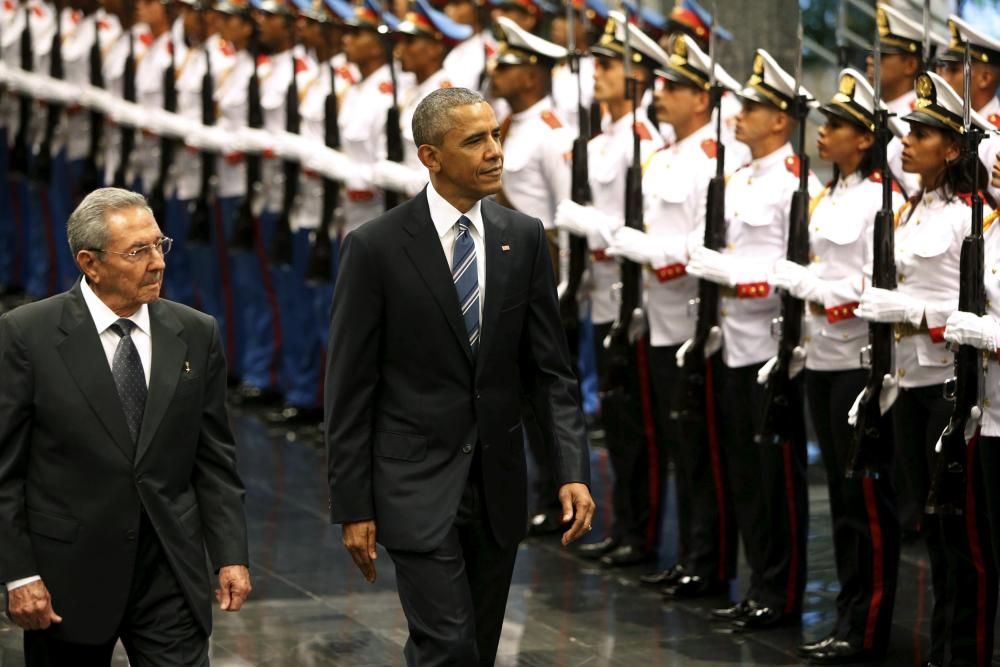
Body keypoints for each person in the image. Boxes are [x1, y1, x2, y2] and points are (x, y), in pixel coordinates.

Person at [324, 87, 595, 666]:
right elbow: (349, 388)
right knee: (448, 644)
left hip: (496, 485)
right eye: (474, 140)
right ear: (430, 156)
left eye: (496, 135)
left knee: (474, 648)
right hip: (413, 485)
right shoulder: (374, 247)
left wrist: (571, 469)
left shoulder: (523, 237)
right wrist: (352, 504)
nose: (494, 150)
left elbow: (550, 373)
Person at [0, 187, 251, 666]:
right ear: (89, 263)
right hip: (67, 580)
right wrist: (18, 575)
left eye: (160, 245)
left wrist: (230, 553)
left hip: (170, 573)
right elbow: (5, 469)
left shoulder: (196, 332)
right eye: (138, 251)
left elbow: (214, 457)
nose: (156, 262)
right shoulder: (27, 335)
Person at [855, 71, 997, 667]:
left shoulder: (972, 217)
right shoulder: (913, 209)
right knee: (934, 532)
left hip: (951, 387)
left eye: (925, 132)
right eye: (909, 130)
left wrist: (915, 312)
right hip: (909, 381)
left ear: (955, 148)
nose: (908, 141)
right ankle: (945, 647)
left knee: (964, 540)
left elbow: (968, 312)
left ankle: (963, 650)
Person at [771, 68, 905, 663]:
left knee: (865, 502)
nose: (823, 134)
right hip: (823, 358)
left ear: (866, 138)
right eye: (825, 124)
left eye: (838, 126)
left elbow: (880, 284)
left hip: (859, 361)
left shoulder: (886, 199)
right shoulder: (829, 193)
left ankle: (867, 623)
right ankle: (848, 614)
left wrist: (817, 287)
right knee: (843, 503)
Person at [686, 49, 822, 630]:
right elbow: (700, 242)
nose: (739, 115)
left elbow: (797, 269)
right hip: (730, 340)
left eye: (754, 107)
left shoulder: (797, 183)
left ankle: (783, 591)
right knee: (743, 472)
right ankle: (756, 583)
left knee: (776, 480)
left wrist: (731, 272)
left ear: (781, 120)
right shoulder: (736, 178)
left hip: (772, 342)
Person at [615, 33, 741, 598]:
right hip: (658, 321)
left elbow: (700, 246)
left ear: (704, 100)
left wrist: (646, 252)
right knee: (673, 445)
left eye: (677, 88)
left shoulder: (715, 162)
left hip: (695, 323)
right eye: (662, 85)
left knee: (701, 453)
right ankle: (689, 553)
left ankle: (708, 560)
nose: (661, 95)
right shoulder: (662, 156)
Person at [555, 10, 665, 569]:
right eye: (596, 63)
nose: (596, 74)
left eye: (608, 66)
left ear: (638, 75)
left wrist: (588, 226)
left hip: (632, 299)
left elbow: (636, 229)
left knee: (636, 424)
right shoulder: (599, 141)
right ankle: (625, 526)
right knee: (617, 425)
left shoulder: (641, 142)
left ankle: (640, 532)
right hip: (599, 294)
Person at [487, 15, 572, 536]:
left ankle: (554, 492)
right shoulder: (503, 121)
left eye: (510, 65)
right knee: (508, 388)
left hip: (539, 267)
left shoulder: (551, 133)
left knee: (542, 389)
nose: (498, 71)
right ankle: (527, 489)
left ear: (534, 76)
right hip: (501, 268)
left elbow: (566, 213)